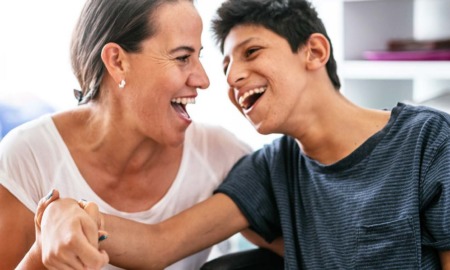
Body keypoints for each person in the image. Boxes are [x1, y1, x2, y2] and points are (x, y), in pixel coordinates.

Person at [35, 0, 450, 269]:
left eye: (251, 52)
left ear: (315, 52)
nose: (232, 77)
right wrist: (66, 214)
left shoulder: (428, 143)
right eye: (227, 66)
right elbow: (159, 242)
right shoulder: (273, 168)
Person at [0, 0, 253, 269]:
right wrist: (42, 251)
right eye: (182, 58)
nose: (203, 80)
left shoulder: (221, 155)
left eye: (198, 57)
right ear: (117, 61)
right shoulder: (28, 157)